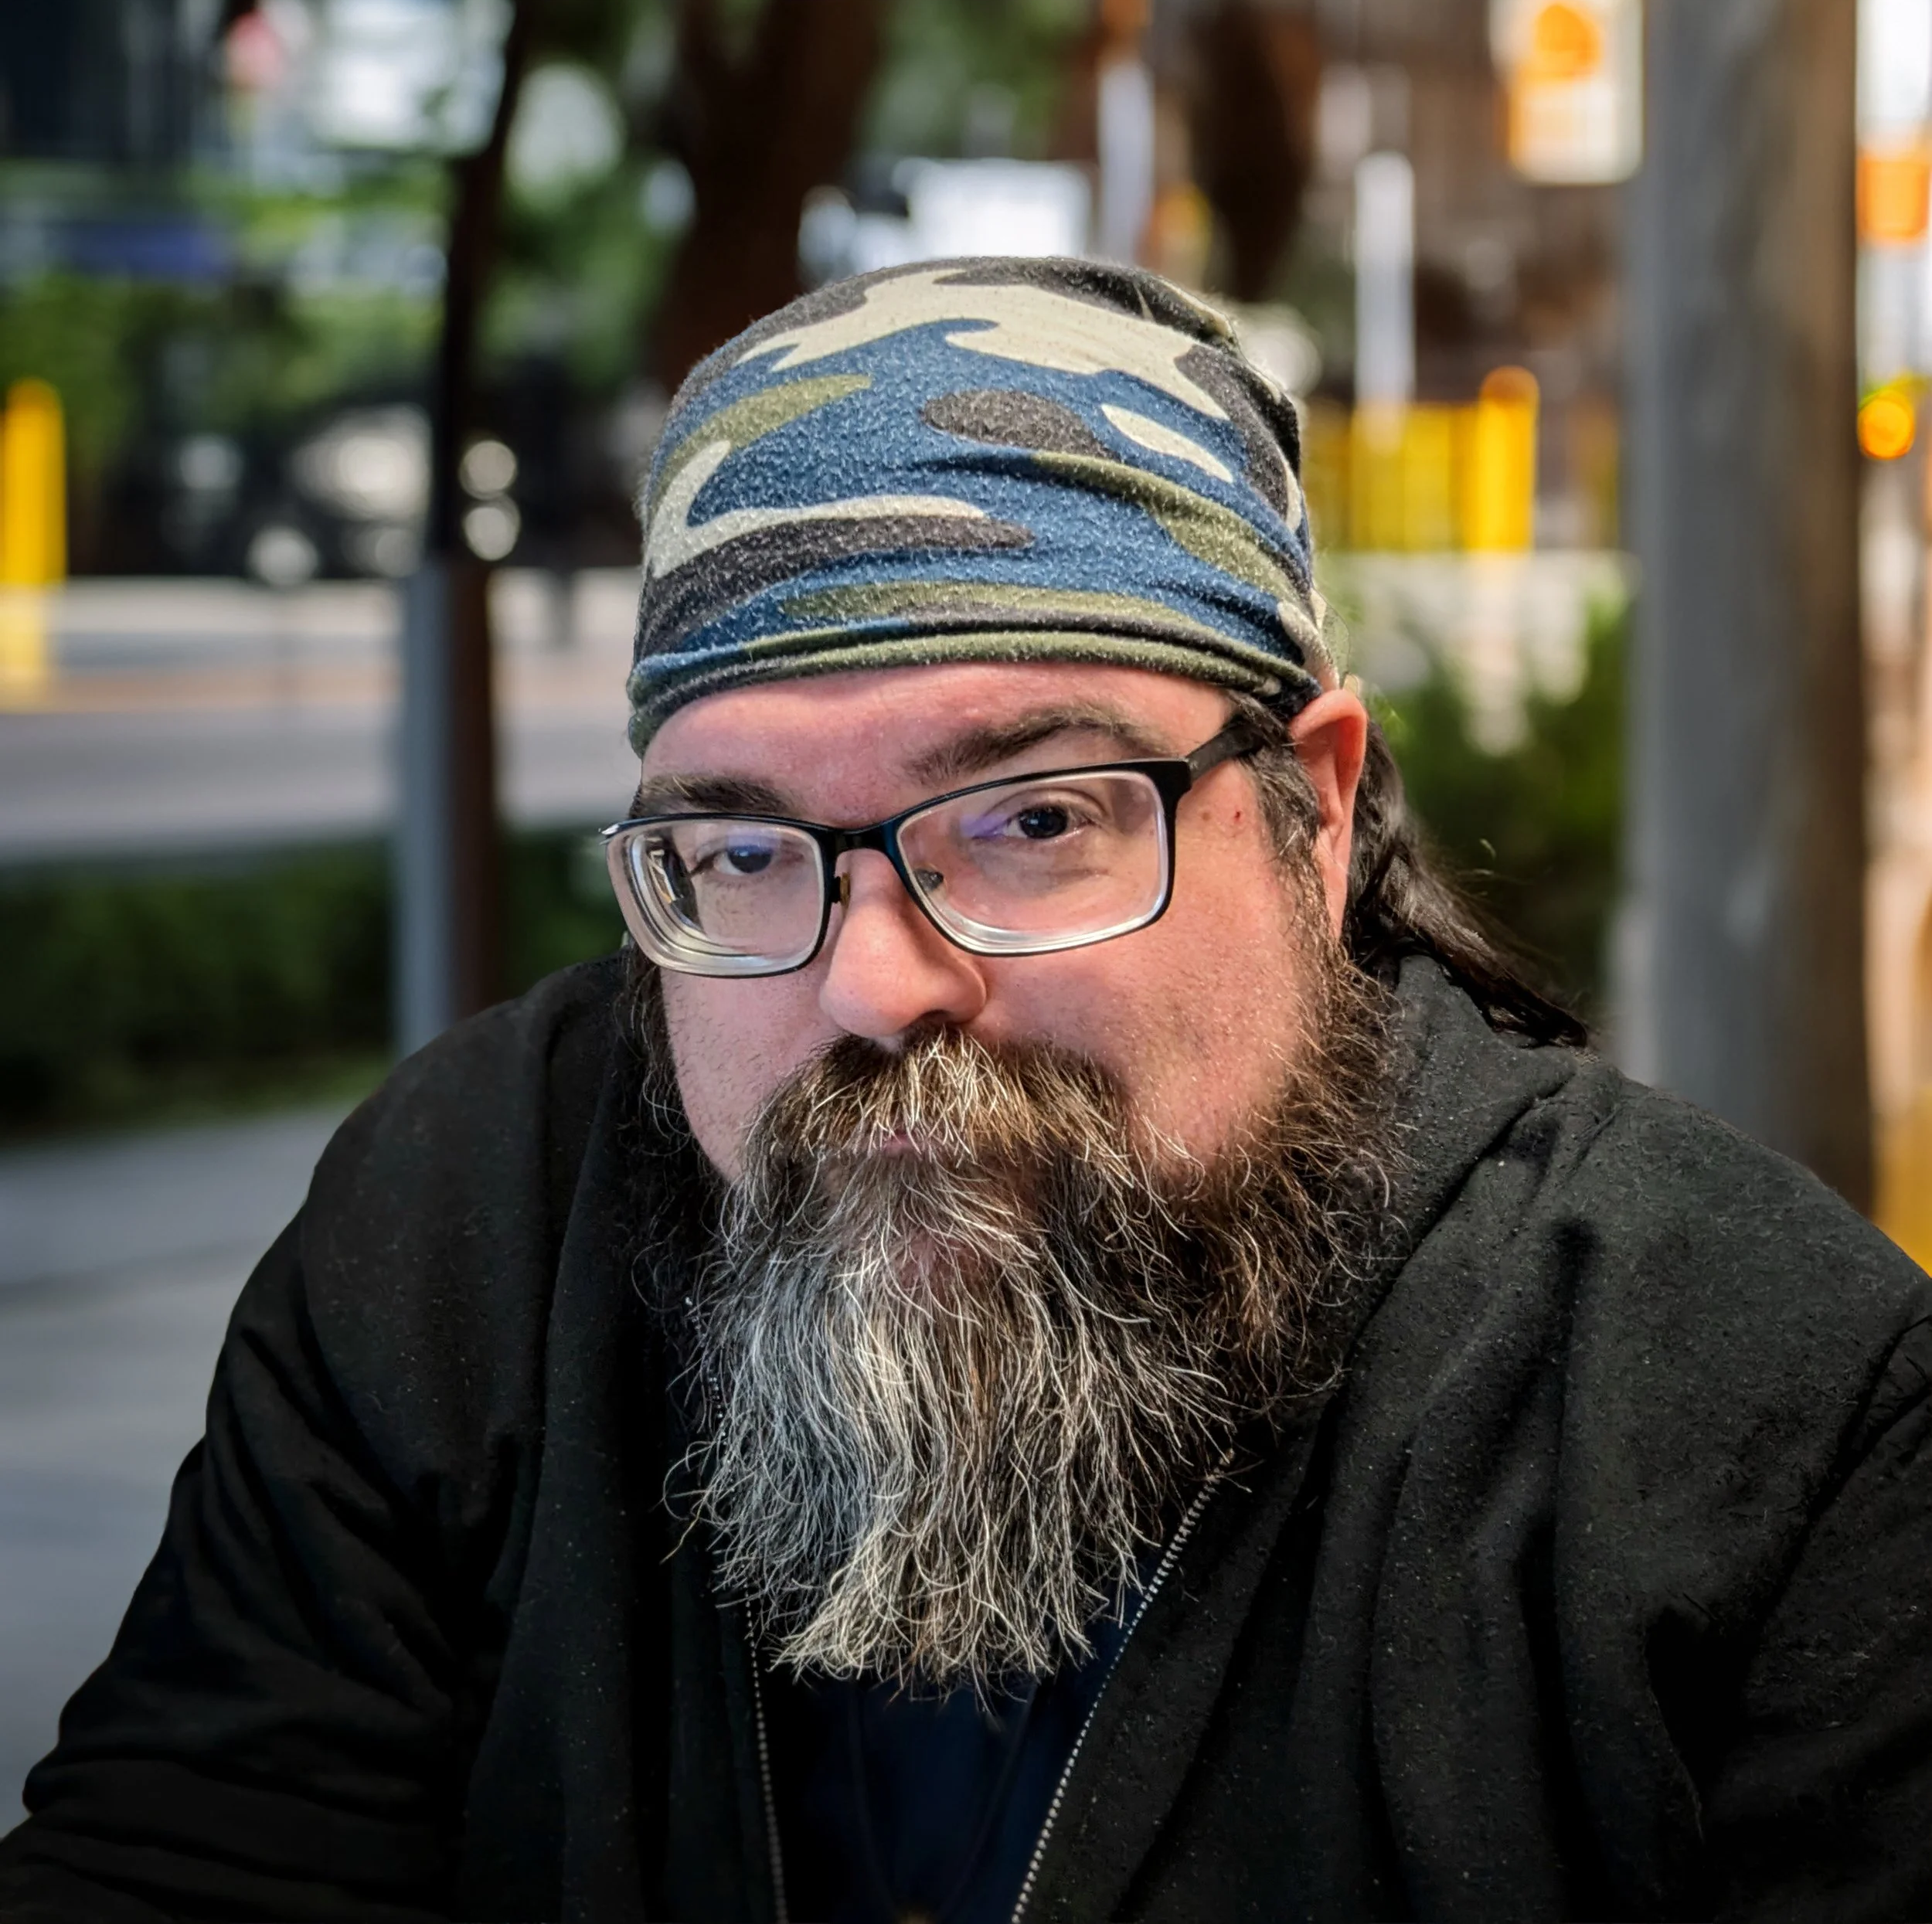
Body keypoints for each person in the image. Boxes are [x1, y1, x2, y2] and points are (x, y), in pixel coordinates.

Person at [2, 258, 1928, 1924]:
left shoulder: (1746, 1401)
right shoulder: (465, 1235)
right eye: (743, 850)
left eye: (1031, 820)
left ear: (1313, 815)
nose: (871, 981)